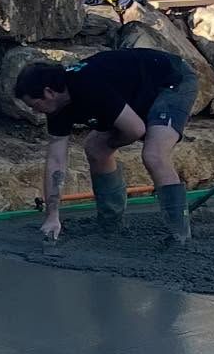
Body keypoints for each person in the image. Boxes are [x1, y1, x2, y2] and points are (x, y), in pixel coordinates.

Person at [16, 50, 198, 245]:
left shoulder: (88, 85)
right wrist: (52, 216)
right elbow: (55, 160)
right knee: (96, 148)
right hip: (136, 90)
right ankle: (110, 225)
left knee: (154, 154)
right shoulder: (58, 108)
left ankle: (180, 236)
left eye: (35, 104)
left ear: (49, 92)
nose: (35, 111)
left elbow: (135, 129)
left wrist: (113, 142)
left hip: (171, 80)